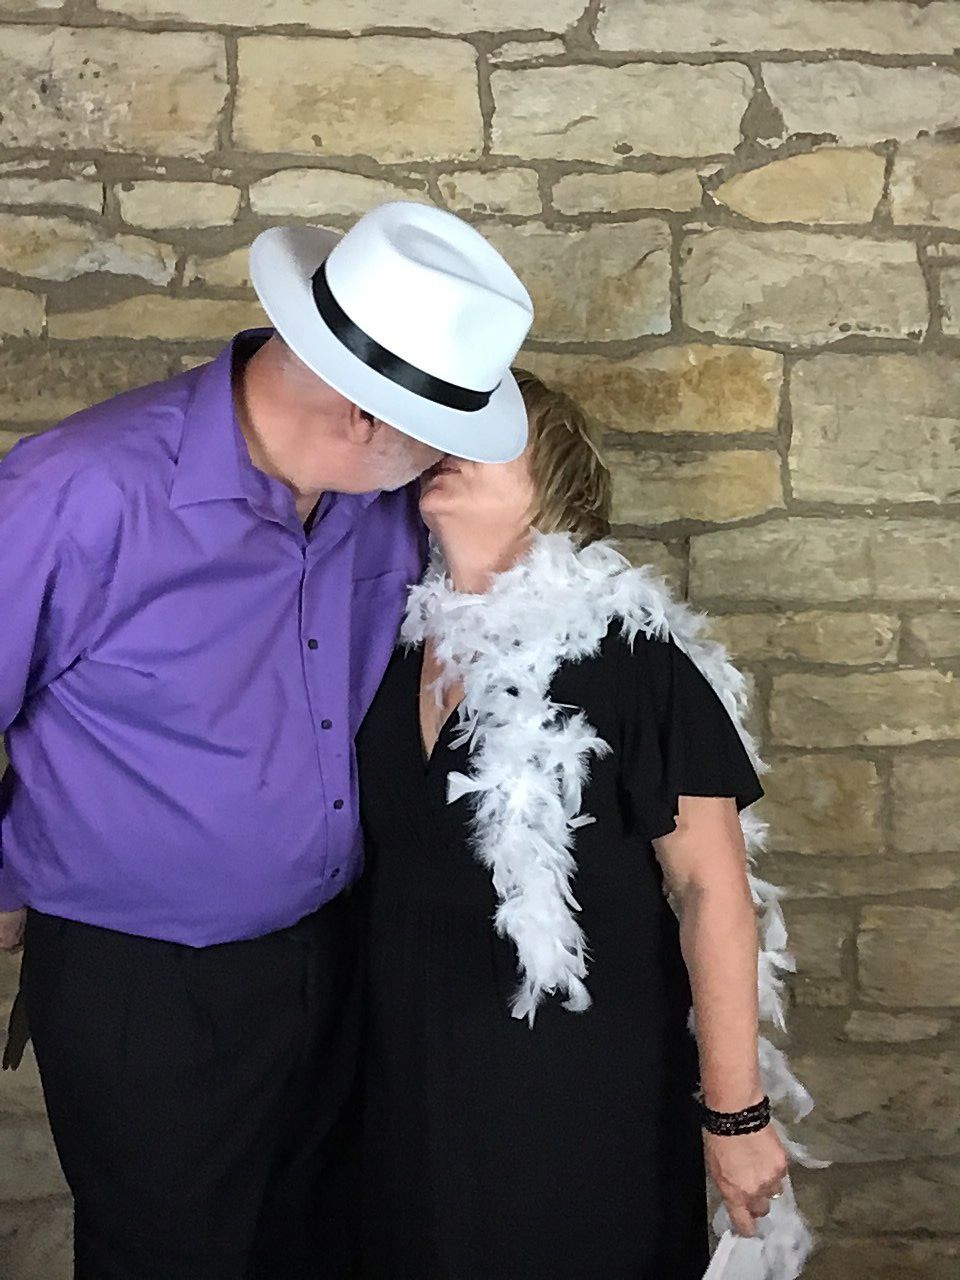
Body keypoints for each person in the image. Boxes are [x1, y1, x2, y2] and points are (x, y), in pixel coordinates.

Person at [0, 201, 534, 1279]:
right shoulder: (75, 491)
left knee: (318, 1247)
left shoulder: (380, 503)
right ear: (365, 415)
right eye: (439, 436)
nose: (446, 464)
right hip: (145, 980)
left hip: (334, 953)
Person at [356, 369, 807, 1279]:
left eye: (488, 435)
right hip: (401, 1078)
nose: (449, 449)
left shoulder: (635, 655)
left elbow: (710, 888)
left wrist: (736, 1113)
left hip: (581, 1085)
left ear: (553, 481)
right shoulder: (381, 644)